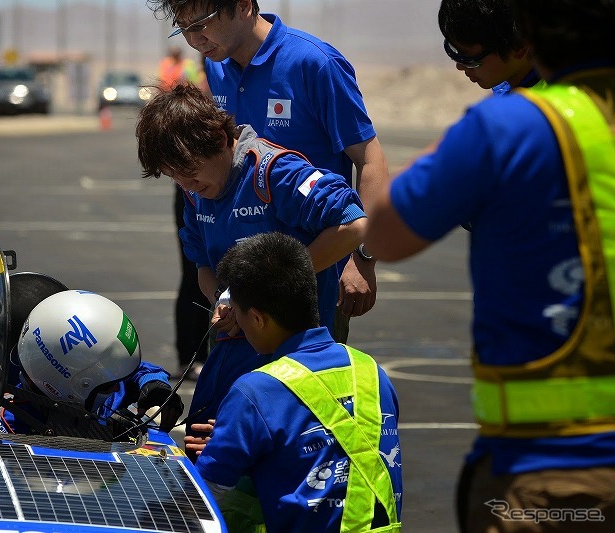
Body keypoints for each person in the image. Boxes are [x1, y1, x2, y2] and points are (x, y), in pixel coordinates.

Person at [364, 0, 615, 531]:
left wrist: (469, 136)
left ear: (527, 37)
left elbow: (385, 230)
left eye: (468, 54)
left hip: (558, 473)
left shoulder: (511, 126)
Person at [135, 83, 367, 460]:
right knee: (200, 447)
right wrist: (225, 300)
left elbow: (354, 225)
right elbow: (204, 268)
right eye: (176, 177)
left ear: (220, 138)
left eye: (191, 173)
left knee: (276, 467)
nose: (188, 186)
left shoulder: (274, 174)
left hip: (294, 364)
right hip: (235, 352)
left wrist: (274, 284)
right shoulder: (197, 194)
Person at [145, 0, 387, 342]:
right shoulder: (217, 69)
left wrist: (363, 258)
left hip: (312, 287)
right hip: (243, 296)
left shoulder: (314, 63)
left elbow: (370, 158)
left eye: (201, 25)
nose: (194, 40)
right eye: (184, 29)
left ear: (243, 5)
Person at [185, 231, 402, 532]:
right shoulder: (371, 371)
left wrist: (232, 446)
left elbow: (204, 497)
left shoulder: (255, 392)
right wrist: (252, 439)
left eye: (237, 313)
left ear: (258, 319)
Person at [0, 290, 185, 435]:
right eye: (108, 385)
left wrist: (153, 383)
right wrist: (105, 434)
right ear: (72, 384)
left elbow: (137, 371)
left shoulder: (95, 384)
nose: (116, 388)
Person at [158, 46, 213, 381]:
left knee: (218, 276)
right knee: (195, 274)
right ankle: (188, 356)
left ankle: (205, 356)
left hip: (214, 193)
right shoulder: (199, 90)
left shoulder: (212, 85)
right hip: (193, 195)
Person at [439, 0, 543, 95]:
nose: (459, 67)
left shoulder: (534, 109)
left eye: (469, 61)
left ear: (518, 47)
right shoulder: (508, 80)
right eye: (453, 49)